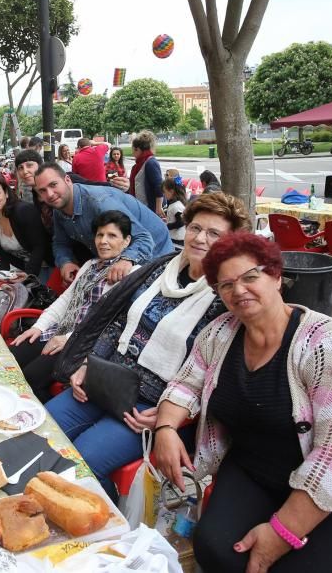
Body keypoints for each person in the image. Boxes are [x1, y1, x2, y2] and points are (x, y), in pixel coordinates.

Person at [152, 233, 332, 572]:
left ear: (277, 277)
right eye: (226, 285)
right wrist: (165, 427)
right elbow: (186, 383)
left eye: (251, 277)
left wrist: (281, 534)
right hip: (258, 471)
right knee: (216, 549)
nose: (239, 291)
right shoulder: (220, 332)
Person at [46, 193, 250, 500]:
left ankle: (104, 530)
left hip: (149, 407)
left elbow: (218, 372)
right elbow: (117, 323)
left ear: (230, 241)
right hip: (106, 381)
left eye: (214, 233)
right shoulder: (161, 269)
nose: (200, 238)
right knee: (43, 433)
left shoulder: (226, 295)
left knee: (80, 464)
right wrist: (88, 362)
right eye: (195, 228)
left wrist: (173, 414)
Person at [11, 210, 137, 402]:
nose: (103, 241)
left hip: (83, 345)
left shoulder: (128, 274)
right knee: (10, 359)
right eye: (100, 235)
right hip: (58, 331)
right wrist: (38, 327)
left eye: (112, 236)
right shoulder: (90, 265)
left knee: (30, 378)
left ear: (126, 241)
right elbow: (64, 301)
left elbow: (107, 323)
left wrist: (70, 339)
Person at [34, 164, 173, 285]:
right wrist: (65, 262)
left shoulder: (100, 202)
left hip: (155, 250)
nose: (50, 194)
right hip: (117, 258)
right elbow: (60, 242)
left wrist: (126, 260)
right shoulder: (59, 208)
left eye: (53, 185)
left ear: (67, 180)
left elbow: (143, 238)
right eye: (42, 190)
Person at [0, 174, 52, 281]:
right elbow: (2, 252)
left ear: (6, 193)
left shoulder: (23, 211)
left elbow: (39, 246)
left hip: (47, 265)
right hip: (24, 267)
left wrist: (29, 275)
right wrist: (3, 276)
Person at [129, 132, 163, 215]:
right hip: (140, 207)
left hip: (149, 209)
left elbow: (159, 187)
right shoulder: (138, 165)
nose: (132, 152)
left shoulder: (150, 163)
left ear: (138, 149)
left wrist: (158, 208)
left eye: (132, 149)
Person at [162, 178, 188, 243]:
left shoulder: (176, 206)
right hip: (177, 237)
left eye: (165, 192)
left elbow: (181, 222)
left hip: (177, 238)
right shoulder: (177, 204)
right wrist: (168, 220)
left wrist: (167, 226)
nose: (164, 195)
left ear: (171, 191)